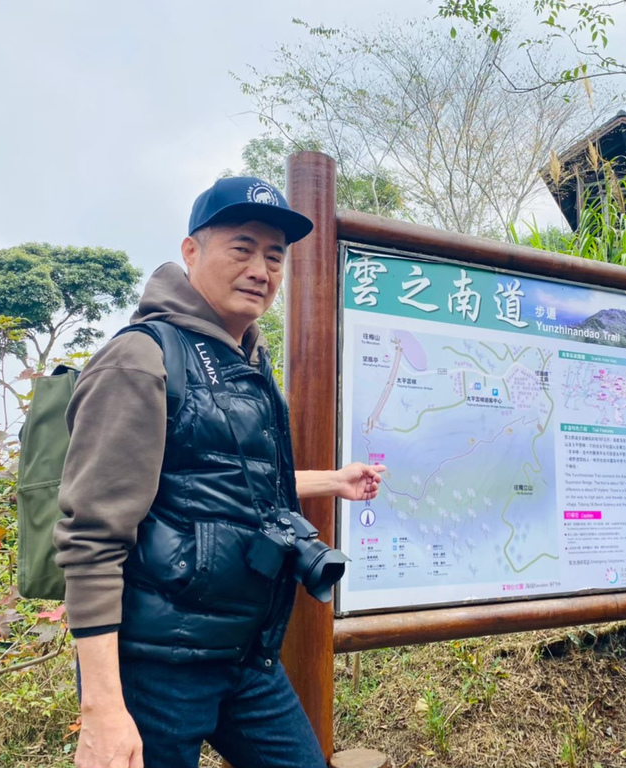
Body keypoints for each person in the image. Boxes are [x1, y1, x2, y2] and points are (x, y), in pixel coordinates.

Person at [54, 176, 385, 768]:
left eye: (275, 255)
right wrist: (103, 709)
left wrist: (333, 481)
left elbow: (230, 487)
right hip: (154, 670)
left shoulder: (247, 363)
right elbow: (92, 538)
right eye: (242, 247)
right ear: (191, 252)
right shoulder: (141, 358)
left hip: (244, 659)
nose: (261, 268)